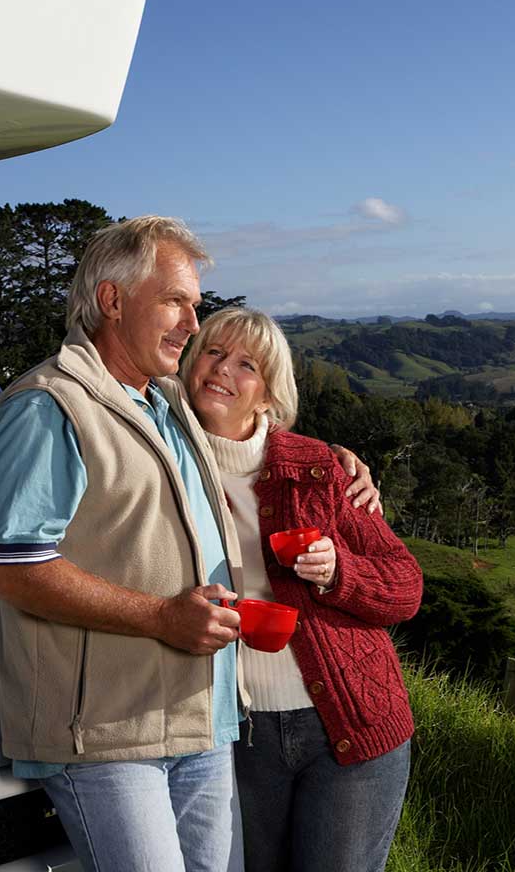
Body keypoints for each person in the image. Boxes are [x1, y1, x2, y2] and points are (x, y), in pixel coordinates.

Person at [0, 216, 376, 872]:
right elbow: (8, 567)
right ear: (112, 300)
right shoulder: (48, 407)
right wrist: (162, 617)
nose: (192, 325)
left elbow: (250, 424)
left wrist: (338, 458)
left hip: (200, 724)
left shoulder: (165, 402)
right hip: (106, 736)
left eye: (194, 305)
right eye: (174, 302)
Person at [181, 306, 423, 872]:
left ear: (267, 395)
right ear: (190, 365)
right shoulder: (165, 460)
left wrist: (341, 571)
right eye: (213, 352)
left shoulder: (317, 467)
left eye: (247, 365)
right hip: (234, 734)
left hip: (348, 724)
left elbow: (405, 587)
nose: (223, 370)